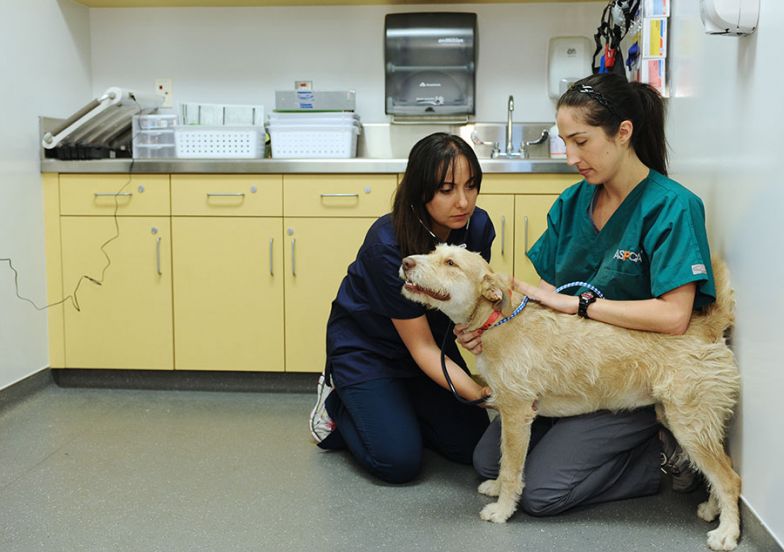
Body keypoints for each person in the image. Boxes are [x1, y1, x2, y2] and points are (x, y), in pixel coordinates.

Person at [460, 73, 714, 516]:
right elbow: (544, 294)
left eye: (581, 141)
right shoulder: (572, 203)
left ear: (623, 132)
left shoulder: (673, 206)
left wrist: (582, 305)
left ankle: (653, 457)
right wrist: (492, 326)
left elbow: (675, 317)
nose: (571, 156)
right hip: (569, 370)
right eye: (564, 142)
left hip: (632, 378)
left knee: (540, 494)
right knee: (486, 462)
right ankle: (589, 442)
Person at [308, 133, 493, 484]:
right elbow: (419, 346)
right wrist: (483, 394)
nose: (463, 201)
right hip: (369, 352)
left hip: (430, 347)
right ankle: (337, 406)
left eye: (471, 185)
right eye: (447, 189)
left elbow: (469, 302)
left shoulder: (478, 227)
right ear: (420, 189)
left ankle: (397, 410)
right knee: (398, 463)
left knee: (472, 447)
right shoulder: (387, 244)